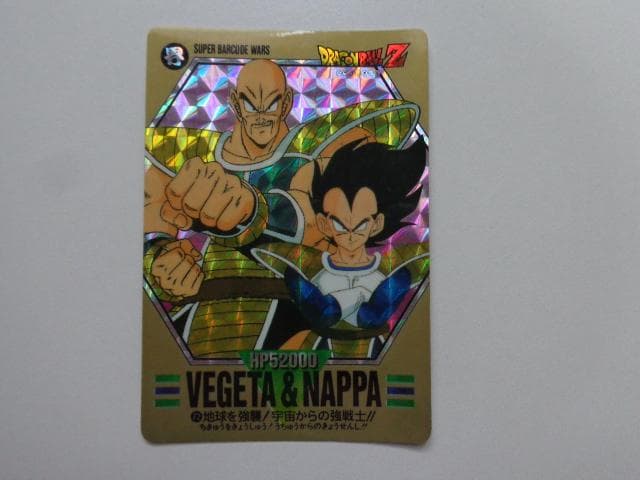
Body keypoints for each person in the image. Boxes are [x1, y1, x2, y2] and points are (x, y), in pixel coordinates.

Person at [143, 59, 422, 358]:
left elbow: (314, 222)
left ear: (287, 101)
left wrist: (253, 212)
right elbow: (151, 215)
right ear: (235, 103)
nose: (261, 115)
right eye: (251, 104)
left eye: (272, 103)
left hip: (292, 311)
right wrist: (161, 259)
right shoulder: (195, 154)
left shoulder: (315, 151)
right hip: (206, 309)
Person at [280, 137, 428, 358]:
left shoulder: (391, 270)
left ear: (376, 223)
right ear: (324, 223)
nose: (350, 234)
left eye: (360, 225)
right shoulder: (310, 268)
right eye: (340, 224)